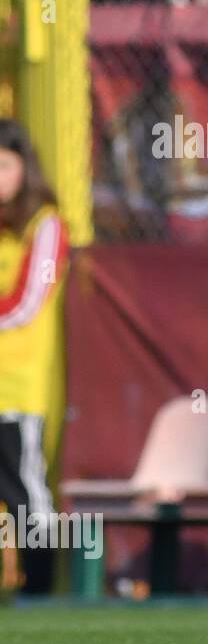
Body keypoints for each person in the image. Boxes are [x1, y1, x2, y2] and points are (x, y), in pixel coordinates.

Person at [0, 120, 70, 595]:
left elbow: (28, 301)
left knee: (25, 493)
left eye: (4, 165)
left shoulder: (45, 224)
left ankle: (41, 595)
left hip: (17, 389)